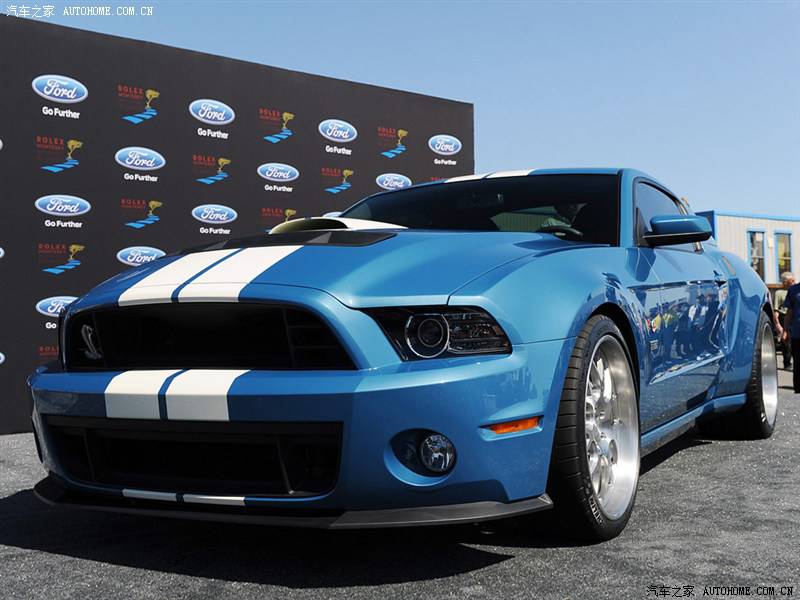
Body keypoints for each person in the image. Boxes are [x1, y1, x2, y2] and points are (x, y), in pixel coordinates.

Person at [783, 278, 800, 393]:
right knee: (798, 363)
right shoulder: (793, 290)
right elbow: (789, 313)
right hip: (797, 334)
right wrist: (785, 330)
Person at [775, 272, 795, 369]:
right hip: (783, 317)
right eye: (792, 281)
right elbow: (776, 311)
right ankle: (787, 363)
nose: (794, 282)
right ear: (785, 282)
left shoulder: (794, 291)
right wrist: (778, 325)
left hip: (794, 317)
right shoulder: (779, 293)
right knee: (786, 342)